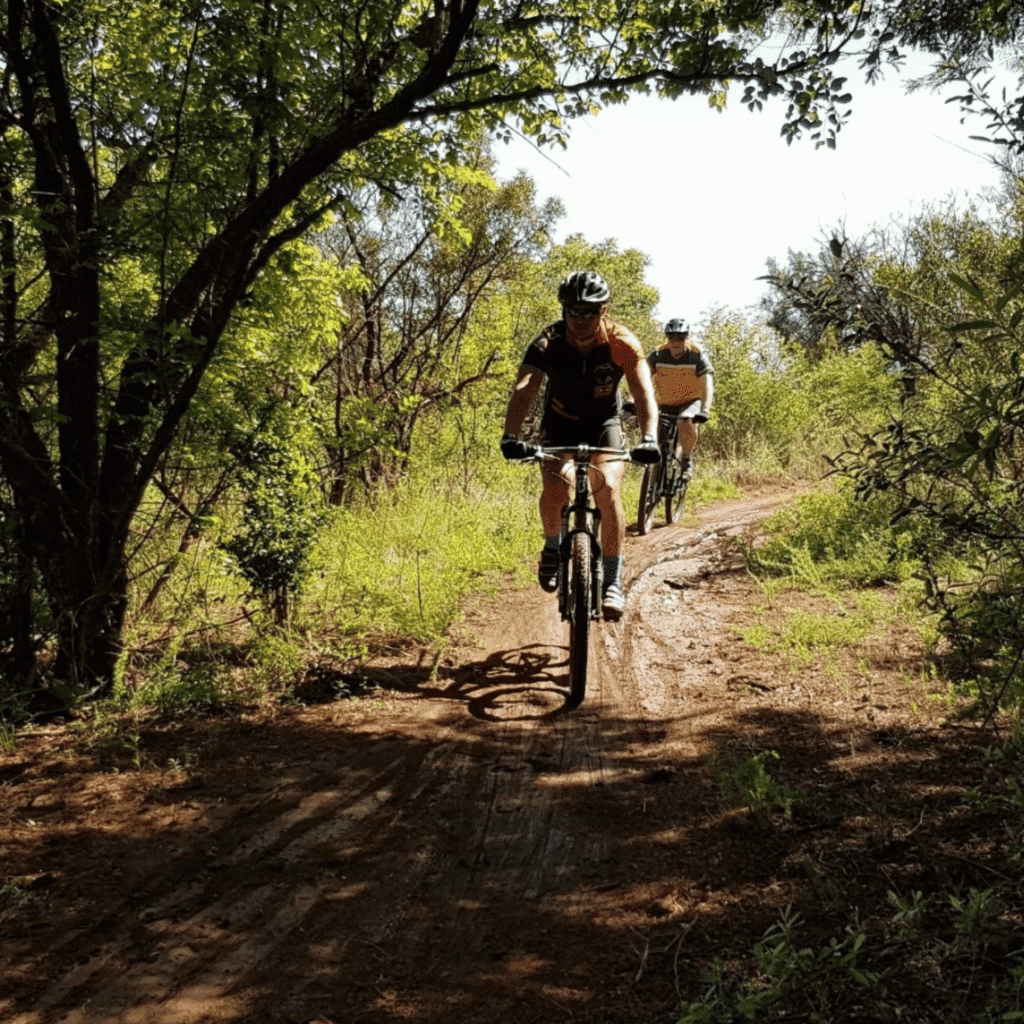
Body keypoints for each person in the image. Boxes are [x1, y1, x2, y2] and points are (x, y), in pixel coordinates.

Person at [499, 270, 660, 622]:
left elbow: (643, 392)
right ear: (563, 310)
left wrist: (650, 439)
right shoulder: (548, 341)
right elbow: (525, 386)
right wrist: (511, 436)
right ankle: (553, 546)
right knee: (557, 489)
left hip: (605, 424)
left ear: (604, 310)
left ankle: (613, 579)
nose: (581, 318)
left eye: (590, 310)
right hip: (559, 423)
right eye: (573, 310)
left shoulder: (622, 342)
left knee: (608, 489)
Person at [646, 318, 714, 480]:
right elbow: (641, 380)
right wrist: (633, 401)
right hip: (663, 402)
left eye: (680, 338)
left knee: (685, 420)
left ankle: (687, 459)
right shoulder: (657, 355)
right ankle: (655, 472)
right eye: (672, 338)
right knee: (652, 428)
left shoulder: (697, 357)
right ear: (667, 338)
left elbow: (707, 385)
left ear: (686, 338)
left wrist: (705, 410)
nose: (676, 342)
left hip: (690, 401)